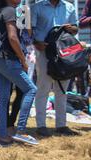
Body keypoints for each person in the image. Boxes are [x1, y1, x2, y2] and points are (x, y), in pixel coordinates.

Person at [0, 0, 38, 147]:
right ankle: (21, 131)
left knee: (3, 100)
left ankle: (3, 138)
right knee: (31, 89)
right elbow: (13, 37)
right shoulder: (9, 11)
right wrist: (23, 59)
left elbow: (22, 35)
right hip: (8, 59)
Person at [31, 0, 79, 136]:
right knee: (43, 88)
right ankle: (41, 125)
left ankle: (61, 125)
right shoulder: (37, 7)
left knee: (62, 89)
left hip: (64, 52)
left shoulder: (69, 7)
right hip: (44, 52)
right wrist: (36, 42)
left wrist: (72, 29)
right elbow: (31, 31)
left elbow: (75, 29)